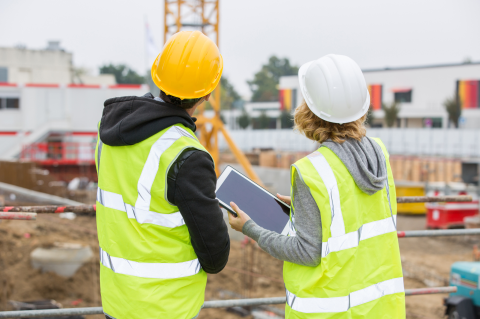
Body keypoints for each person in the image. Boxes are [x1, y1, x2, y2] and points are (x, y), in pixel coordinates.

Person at [229, 54, 405, 318]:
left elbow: (306, 252)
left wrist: (250, 229)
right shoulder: (379, 154)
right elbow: (356, 213)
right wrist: (307, 205)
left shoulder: (312, 170)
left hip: (330, 310)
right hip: (380, 307)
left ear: (310, 111)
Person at [95, 31, 230, 319]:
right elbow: (215, 256)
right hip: (167, 308)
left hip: (117, 302)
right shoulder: (187, 155)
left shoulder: (107, 135)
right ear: (208, 92)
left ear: (158, 75)